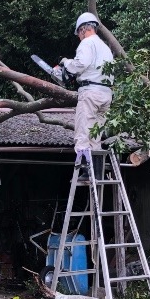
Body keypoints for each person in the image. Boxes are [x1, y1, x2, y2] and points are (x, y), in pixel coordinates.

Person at [54, 12, 114, 181]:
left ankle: (86, 170)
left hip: (90, 93)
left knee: (82, 133)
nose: (79, 37)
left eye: (79, 34)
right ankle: (97, 171)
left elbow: (80, 64)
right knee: (95, 136)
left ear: (83, 30)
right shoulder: (105, 48)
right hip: (106, 95)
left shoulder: (87, 43)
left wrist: (66, 62)